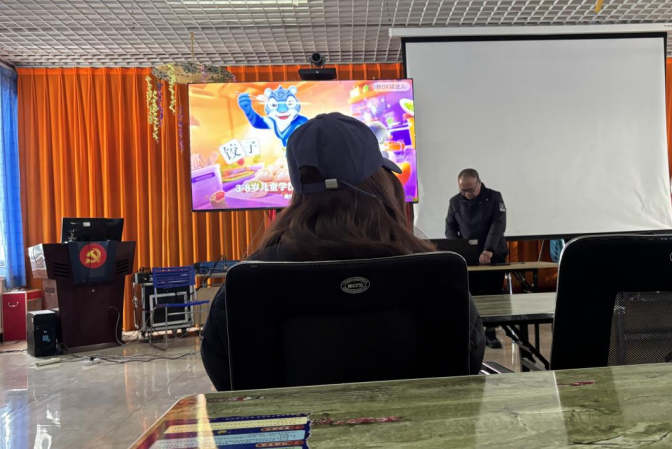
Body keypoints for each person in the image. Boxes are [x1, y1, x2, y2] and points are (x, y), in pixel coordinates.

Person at [201, 113, 485, 391]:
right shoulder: (435, 272)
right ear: (382, 185)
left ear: (298, 191)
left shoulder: (250, 280)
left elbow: (231, 379)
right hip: (421, 423)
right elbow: (465, 362)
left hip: (290, 425)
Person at [445, 169, 507, 348]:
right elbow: (450, 228)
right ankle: (473, 335)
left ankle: (491, 333)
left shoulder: (494, 197)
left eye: (470, 190)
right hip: (469, 257)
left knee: (492, 295)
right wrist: (459, 248)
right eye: (463, 190)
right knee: (471, 296)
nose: (467, 194)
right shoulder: (455, 202)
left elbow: (498, 225)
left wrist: (488, 250)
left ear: (479, 183)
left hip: (493, 255)